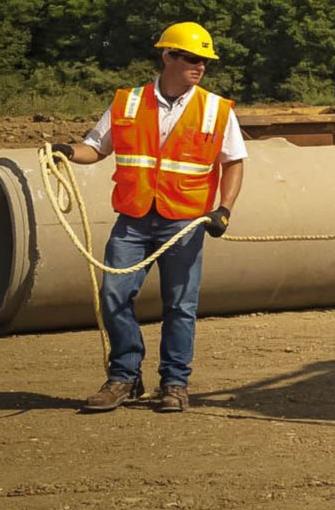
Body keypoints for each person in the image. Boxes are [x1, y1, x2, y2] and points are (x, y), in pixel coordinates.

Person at [47, 21, 247, 413]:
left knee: (180, 306)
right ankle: (124, 376)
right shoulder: (129, 102)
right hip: (134, 219)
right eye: (191, 58)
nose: (200, 66)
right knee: (113, 295)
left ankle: (174, 383)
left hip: (185, 222)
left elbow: (234, 162)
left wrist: (224, 209)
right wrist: (67, 153)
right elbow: (95, 148)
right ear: (167, 56)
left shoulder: (216, 109)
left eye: (204, 60)